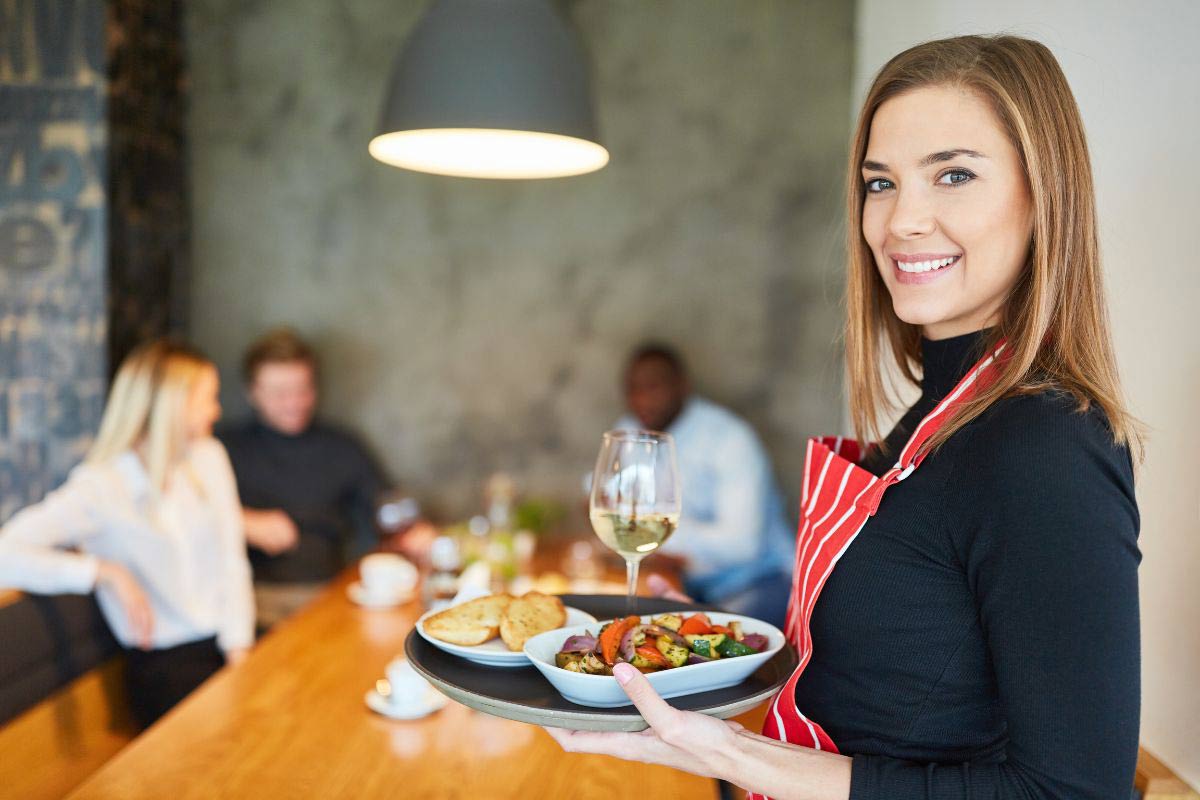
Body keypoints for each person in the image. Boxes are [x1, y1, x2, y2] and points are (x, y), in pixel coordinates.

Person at [547, 35, 1142, 800]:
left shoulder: (1045, 448)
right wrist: (691, 658)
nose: (901, 222)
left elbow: (1074, 792)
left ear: (1044, 195)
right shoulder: (932, 423)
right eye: (880, 183)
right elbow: (880, 696)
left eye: (953, 175)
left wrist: (738, 758)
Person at [0, 341, 255, 729]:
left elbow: (232, 561)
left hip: (229, 645)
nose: (216, 411)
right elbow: (5, 554)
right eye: (208, 399)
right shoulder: (102, 487)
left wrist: (241, 654)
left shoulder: (208, 457)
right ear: (172, 406)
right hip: (164, 669)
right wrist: (101, 571)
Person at [216, 328, 394, 627]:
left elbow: (385, 506)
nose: (294, 403)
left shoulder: (341, 445)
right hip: (250, 598)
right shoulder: (223, 448)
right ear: (253, 392)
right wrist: (242, 521)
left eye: (303, 390)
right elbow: (177, 515)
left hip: (328, 592)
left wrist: (411, 530)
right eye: (280, 393)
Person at [614, 343, 794, 627]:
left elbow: (741, 546)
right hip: (693, 583)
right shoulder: (631, 430)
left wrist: (656, 534)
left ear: (683, 386)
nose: (641, 399)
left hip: (759, 583)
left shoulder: (730, 439)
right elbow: (617, 503)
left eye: (653, 387)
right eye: (633, 389)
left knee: (699, 650)